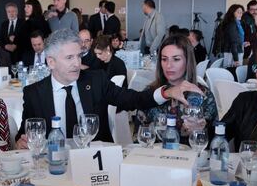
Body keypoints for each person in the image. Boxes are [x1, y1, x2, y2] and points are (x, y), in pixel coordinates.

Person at [15, 29, 199, 148]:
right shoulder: (33, 93)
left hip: (97, 164)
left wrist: (166, 92)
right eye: (69, 58)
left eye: (79, 56)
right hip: (54, 164)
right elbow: (25, 133)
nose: (77, 63)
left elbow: (134, 99)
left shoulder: (96, 80)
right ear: (51, 62)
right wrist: (20, 142)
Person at [136, 34, 217, 145]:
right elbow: (139, 137)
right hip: (156, 157)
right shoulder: (151, 93)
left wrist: (199, 129)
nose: (169, 65)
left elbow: (215, 139)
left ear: (188, 61)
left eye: (176, 59)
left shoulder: (203, 95)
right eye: (164, 59)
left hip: (191, 157)